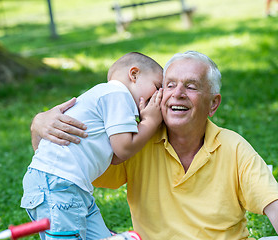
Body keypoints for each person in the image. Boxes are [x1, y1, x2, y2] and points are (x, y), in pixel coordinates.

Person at [30, 51, 278, 240]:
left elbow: (274, 204)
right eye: (168, 85)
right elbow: (60, 172)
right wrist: (39, 127)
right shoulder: (134, 141)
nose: (177, 93)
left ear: (213, 104)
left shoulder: (233, 147)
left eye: (190, 86)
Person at [21, 52, 164, 240]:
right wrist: (150, 122)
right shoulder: (117, 94)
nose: (160, 96)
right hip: (58, 185)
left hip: (72, 187)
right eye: (158, 87)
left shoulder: (111, 98)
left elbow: (115, 157)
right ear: (134, 74)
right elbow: (124, 148)